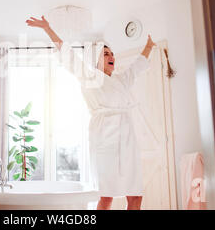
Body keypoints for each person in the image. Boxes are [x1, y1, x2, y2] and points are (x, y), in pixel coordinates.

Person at [26, 15, 156, 210]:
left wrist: (149, 46)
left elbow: (137, 66)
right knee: (106, 198)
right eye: (105, 54)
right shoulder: (89, 77)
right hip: (105, 140)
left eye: (112, 53)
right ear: (96, 61)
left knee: (136, 196)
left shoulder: (121, 80)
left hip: (127, 139)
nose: (112, 56)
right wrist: (47, 28)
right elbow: (68, 55)